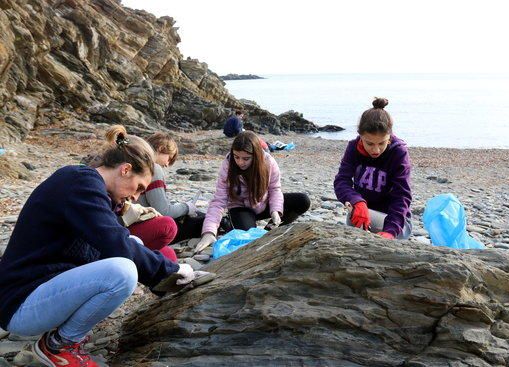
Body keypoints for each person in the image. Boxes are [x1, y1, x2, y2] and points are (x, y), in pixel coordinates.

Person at [0, 125, 198, 367]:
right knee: (122, 272)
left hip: (35, 292)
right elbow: (116, 245)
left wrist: (165, 272)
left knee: (133, 246)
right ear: (125, 170)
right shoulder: (80, 184)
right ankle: (56, 345)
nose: (136, 197)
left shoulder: (90, 188)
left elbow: (114, 243)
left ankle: (59, 340)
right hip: (20, 303)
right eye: (138, 188)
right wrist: (170, 271)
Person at [194, 131, 310, 252]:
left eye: (246, 158)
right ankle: (230, 224)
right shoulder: (227, 165)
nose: (240, 162)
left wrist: (276, 211)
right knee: (249, 242)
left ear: (256, 155)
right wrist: (209, 232)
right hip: (240, 208)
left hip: (262, 203)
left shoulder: (269, 162)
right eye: (236, 157)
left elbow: (275, 189)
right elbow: (219, 200)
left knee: (302, 200)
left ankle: (269, 232)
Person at [333, 97, 412, 240]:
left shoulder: (398, 152)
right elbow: (341, 181)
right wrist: (356, 200)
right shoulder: (353, 147)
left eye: (382, 143)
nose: (376, 150)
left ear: (389, 137)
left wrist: (390, 231)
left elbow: (402, 196)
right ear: (360, 136)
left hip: (397, 222)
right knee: (354, 216)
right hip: (363, 212)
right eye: (369, 143)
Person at [136, 132, 205, 245]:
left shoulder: (136, 163)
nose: (167, 164)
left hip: (129, 224)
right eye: (169, 158)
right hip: (143, 228)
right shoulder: (154, 168)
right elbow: (163, 211)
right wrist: (187, 207)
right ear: (160, 148)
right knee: (201, 219)